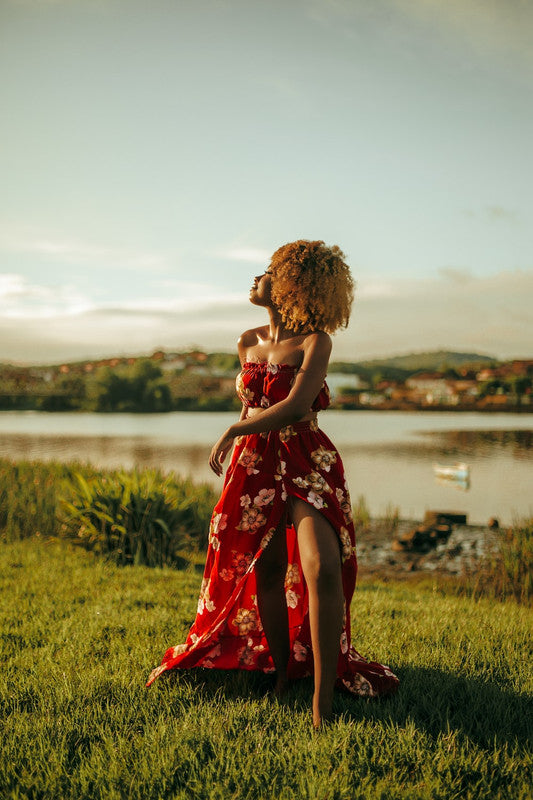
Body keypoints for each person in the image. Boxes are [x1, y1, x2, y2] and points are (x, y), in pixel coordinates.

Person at [147, 240, 399, 727]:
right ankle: (283, 674)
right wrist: (240, 439)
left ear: (291, 285)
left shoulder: (315, 342)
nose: (255, 278)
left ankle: (322, 704)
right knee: (263, 571)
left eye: (266, 272)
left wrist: (233, 430)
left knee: (322, 567)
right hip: (254, 462)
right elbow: (253, 400)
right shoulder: (246, 339)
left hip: (306, 455)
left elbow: (297, 406)